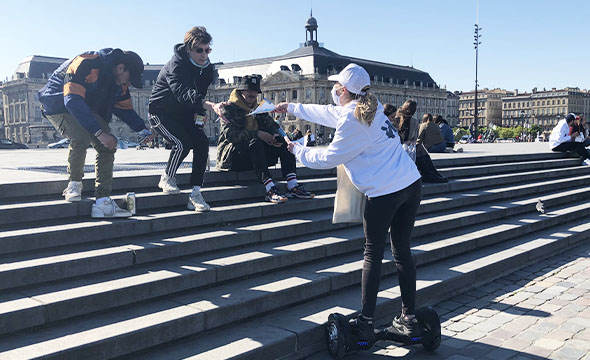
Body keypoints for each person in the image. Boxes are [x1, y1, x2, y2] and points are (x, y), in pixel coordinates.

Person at [275, 63, 423, 342]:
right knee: (402, 251)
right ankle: (409, 318)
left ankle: (366, 322)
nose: (333, 90)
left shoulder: (354, 120)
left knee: (372, 254)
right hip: (411, 185)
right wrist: (292, 108)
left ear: (343, 89)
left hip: (384, 193)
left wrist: (298, 151)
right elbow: (330, 113)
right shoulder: (373, 108)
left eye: (336, 86)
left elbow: (330, 157)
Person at [38, 48, 152, 218]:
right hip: (57, 103)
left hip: (85, 106)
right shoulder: (86, 62)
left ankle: (103, 200)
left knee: (109, 145)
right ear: (121, 68)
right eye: (129, 80)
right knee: (80, 138)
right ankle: (74, 184)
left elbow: (125, 109)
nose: (128, 85)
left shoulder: (118, 83)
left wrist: (143, 130)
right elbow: (72, 100)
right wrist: (99, 132)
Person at [148, 26, 226, 211]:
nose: (204, 54)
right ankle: (167, 177)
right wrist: (210, 105)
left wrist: (200, 119)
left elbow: (199, 94)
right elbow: (182, 92)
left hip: (184, 114)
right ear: (189, 48)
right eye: (199, 50)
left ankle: (196, 193)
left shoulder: (207, 69)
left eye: (207, 50)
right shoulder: (176, 64)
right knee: (181, 142)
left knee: (201, 142)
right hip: (160, 113)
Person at [216, 75, 314, 203]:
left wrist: (276, 135)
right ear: (241, 91)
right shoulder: (227, 108)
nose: (253, 94)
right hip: (233, 157)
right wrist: (258, 134)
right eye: (249, 91)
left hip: (256, 156)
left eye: (255, 92)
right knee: (255, 141)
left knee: (285, 142)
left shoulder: (258, 108)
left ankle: (292, 185)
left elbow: (272, 125)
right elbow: (231, 136)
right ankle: (270, 188)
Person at [389, 101, 447, 183]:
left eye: (413, 109)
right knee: (419, 148)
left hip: (408, 146)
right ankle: (430, 174)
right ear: (405, 108)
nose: (412, 111)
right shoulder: (396, 119)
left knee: (419, 147)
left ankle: (433, 173)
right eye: (410, 109)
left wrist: (412, 142)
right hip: (398, 146)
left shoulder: (414, 122)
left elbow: (415, 138)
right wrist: (408, 142)